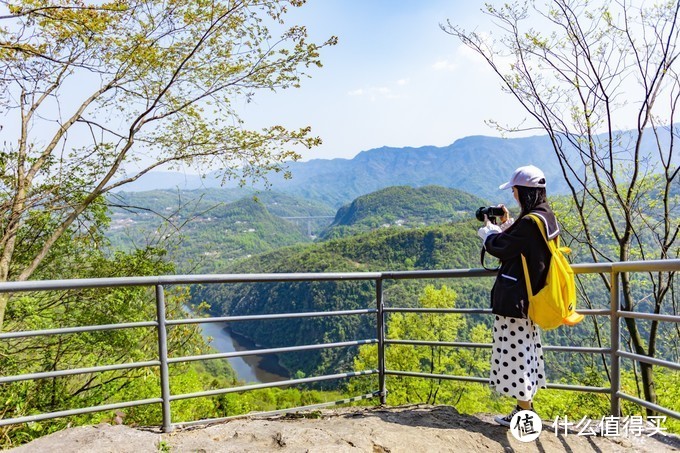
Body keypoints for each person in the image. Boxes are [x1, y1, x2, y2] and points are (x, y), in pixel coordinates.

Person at [477, 164, 559, 427]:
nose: (513, 195)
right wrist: (508, 223)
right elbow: (525, 246)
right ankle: (526, 408)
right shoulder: (544, 216)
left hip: (517, 299)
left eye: (515, 191)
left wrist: (489, 234)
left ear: (524, 192)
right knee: (526, 350)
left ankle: (525, 414)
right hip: (532, 296)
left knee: (517, 353)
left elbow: (501, 248)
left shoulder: (530, 223)